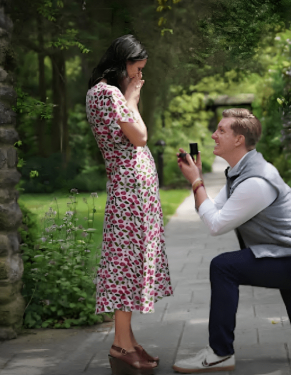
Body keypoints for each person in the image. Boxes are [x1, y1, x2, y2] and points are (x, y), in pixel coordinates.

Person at [173, 108, 291, 374]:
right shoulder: (241, 172)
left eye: (221, 130)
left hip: (285, 255)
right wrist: (198, 181)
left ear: (239, 139)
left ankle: (220, 353)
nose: (214, 135)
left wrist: (196, 183)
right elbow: (212, 212)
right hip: (282, 253)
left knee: (223, 266)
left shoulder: (256, 181)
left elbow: (216, 225)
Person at [86, 35, 173, 375]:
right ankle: (121, 345)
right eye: (138, 70)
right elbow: (140, 137)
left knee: (130, 264)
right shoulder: (109, 94)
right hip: (129, 193)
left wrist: (130, 95)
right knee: (125, 266)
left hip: (131, 191)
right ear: (123, 62)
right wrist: (134, 99)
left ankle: (129, 340)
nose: (140, 78)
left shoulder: (102, 92)